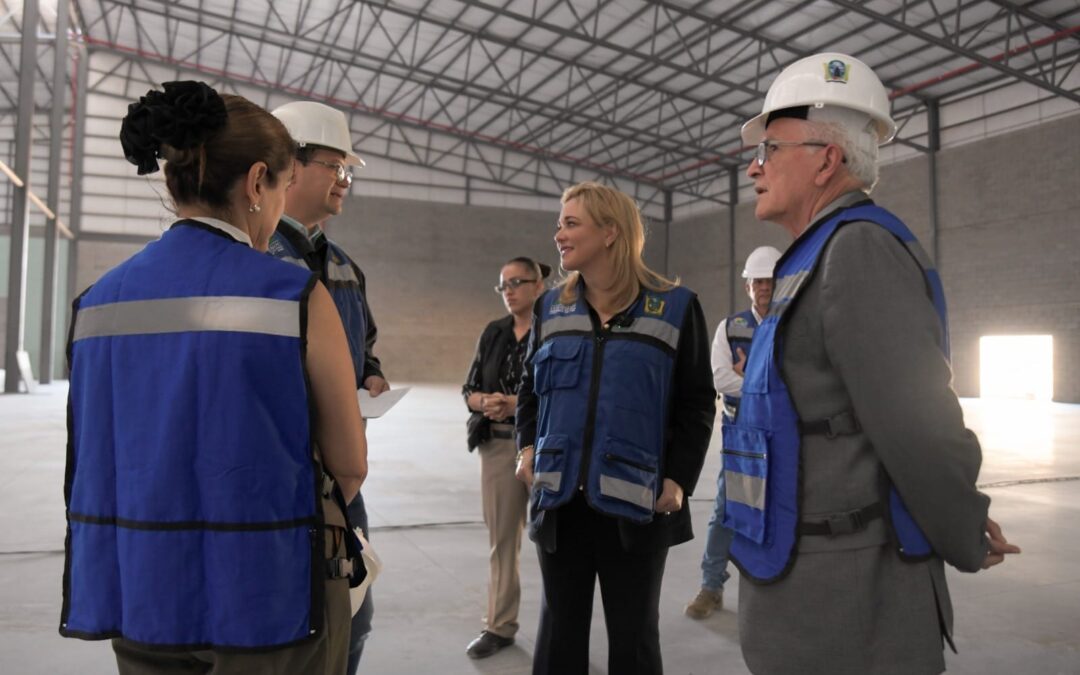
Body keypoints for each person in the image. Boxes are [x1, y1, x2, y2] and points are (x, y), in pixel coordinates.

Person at [725, 53, 1021, 674]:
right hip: (804, 591)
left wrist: (963, 525)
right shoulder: (813, 256)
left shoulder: (857, 251)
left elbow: (919, 426)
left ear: (827, 159)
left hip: (849, 609)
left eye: (771, 150)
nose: (754, 167)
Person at [60, 81, 368, 675]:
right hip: (268, 594)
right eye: (279, 187)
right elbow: (348, 464)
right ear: (257, 183)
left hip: (142, 583)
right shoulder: (297, 295)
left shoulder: (97, 302)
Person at [515, 181, 716, 675]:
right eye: (559, 223)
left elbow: (696, 402)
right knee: (559, 635)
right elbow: (530, 391)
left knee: (633, 638)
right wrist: (525, 448)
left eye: (570, 223)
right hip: (560, 502)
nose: (557, 234)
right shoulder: (550, 308)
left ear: (610, 232)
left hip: (638, 506)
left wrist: (678, 480)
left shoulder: (675, 306)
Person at [267, 100, 387, 675]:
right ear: (290, 164)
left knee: (354, 617)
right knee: (285, 626)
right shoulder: (252, 259)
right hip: (276, 476)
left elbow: (364, 348)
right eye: (334, 166)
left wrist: (370, 374)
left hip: (342, 477)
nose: (345, 180)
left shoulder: (343, 267)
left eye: (349, 170)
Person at [684, 245, 781, 620]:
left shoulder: (792, 325)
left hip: (783, 435)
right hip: (743, 436)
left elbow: (800, 381)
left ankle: (773, 586)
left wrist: (749, 376)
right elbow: (721, 379)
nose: (763, 288)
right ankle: (711, 586)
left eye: (769, 281)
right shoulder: (731, 328)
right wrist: (766, 381)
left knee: (781, 508)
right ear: (747, 285)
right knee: (727, 509)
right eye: (757, 281)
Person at [461, 257, 551, 659]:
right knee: (502, 541)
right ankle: (499, 626)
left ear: (539, 286)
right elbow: (469, 389)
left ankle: (560, 626)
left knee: (556, 541)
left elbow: (560, 392)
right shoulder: (494, 332)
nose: (509, 290)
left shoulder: (553, 329)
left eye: (517, 282)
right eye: (504, 285)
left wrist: (517, 404)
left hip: (547, 446)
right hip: (498, 446)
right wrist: (487, 402)